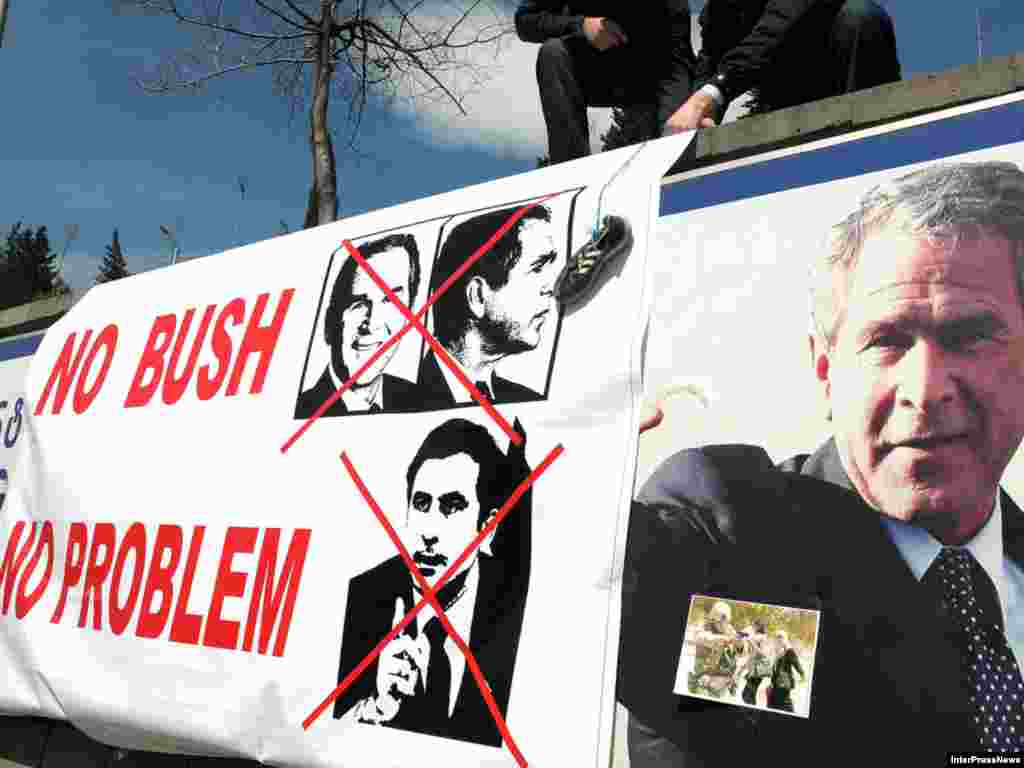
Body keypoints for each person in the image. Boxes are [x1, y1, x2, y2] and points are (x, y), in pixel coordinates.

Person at [618, 161, 1024, 765]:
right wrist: (565, 482)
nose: (927, 386)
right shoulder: (739, 542)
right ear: (826, 371)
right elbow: (605, 597)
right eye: (887, 340)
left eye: (970, 336)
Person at [333, 418, 533, 747]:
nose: (428, 531)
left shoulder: (516, 598)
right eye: (421, 503)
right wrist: (374, 706)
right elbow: (309, 737)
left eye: (452, 507)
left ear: (488, 525)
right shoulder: (363, 598)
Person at [665, 0, 901, 134]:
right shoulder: (720, 8)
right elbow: (710, 59)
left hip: (842, 79)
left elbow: (775, 28)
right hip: (785, 97)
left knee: (860, 16)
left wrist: (710, 95)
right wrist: (698, 114)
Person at [514, 0, 695, 164]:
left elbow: (678, 61)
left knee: (673, 130)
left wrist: (673, 133)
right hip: (595, 70)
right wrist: (580, 25)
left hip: (654, 74)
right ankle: (569, 167)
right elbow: (525, 21)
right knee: (553, 53)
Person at [417, 206, 562, 407]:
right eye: (537, 268)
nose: (552, 286)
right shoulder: (398, 398)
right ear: (477, 296)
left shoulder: (525, 400)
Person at [294, 234, 423, 418]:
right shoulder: (303, 410)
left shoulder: (420, 402)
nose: (373, 323)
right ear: (330, 323)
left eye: (390, 300)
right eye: (358, 303)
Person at [687, 601, 740, 699]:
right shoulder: (704, 626)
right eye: (719, 621)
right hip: (704, 679)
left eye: (725, 621)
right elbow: (701, 638)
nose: (722, 624)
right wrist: (723, 638)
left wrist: (739, 642)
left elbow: (740, 650)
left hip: (722, 681)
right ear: (713, 618)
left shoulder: (728, 628)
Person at [765, 630, 804, 712]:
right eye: (777, 637)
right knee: (773, 704)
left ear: (786, 639)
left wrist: (802, 675)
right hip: (776, 684)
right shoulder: (778, 652)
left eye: (781, 637)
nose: (779, 639)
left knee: (784, 705)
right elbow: (775, 669)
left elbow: (797, 664)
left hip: (783, 684)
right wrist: (772, 682)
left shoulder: (789, 650)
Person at [736, 619, 772, 706]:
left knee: (747, 696)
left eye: (754, 625)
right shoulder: (756, 636)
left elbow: (763, 653)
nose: (752, 627)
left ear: (759, 626)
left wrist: (751, 642)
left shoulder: (763, 637)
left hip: (758, 671)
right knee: (747, 696)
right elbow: (750, 654)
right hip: (754, 670)